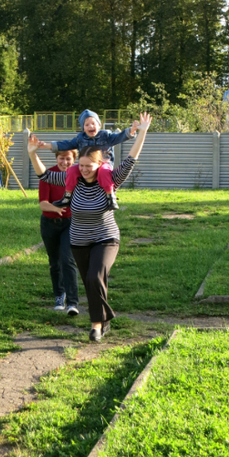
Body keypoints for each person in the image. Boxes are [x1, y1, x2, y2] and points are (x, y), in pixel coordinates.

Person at [28, 113, 152, 342]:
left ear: (99, 164)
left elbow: (131, 159)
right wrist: (32, 153)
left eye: (89, 166)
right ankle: (104, 321)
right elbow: (44, 175)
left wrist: (142, 132)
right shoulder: (72, 180)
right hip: (79, 241)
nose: (84, 169)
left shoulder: (111, 179)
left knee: (95, 277)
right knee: (91, 282)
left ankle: (96, 325)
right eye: (81, 166)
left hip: (106, 238)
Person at [32, 109, 140, 211]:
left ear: (99, 125)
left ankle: (110, 197)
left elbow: (119, 137)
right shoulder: (80, 138)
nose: (90, 126)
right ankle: (67, 197)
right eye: (87, 124)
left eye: (93, 123)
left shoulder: (106, 136)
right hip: (86, 166)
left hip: (104, 164)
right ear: (83, 128)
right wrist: (46, 145)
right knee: (71, 171)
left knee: (104, 172)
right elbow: (65, 144)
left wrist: (132, 130)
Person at [38, 149, 80, 315]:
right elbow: (43, 203)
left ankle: (72, 302)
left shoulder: (78, 175)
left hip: (70, 223)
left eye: (68, 159)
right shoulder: (48, 175)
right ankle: (59, 295)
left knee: (67, 259)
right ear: (56, 158)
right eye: (61, 158)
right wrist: (56, 208)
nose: (64, 162)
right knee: (54, 261)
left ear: (73, 159)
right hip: (49, 224)